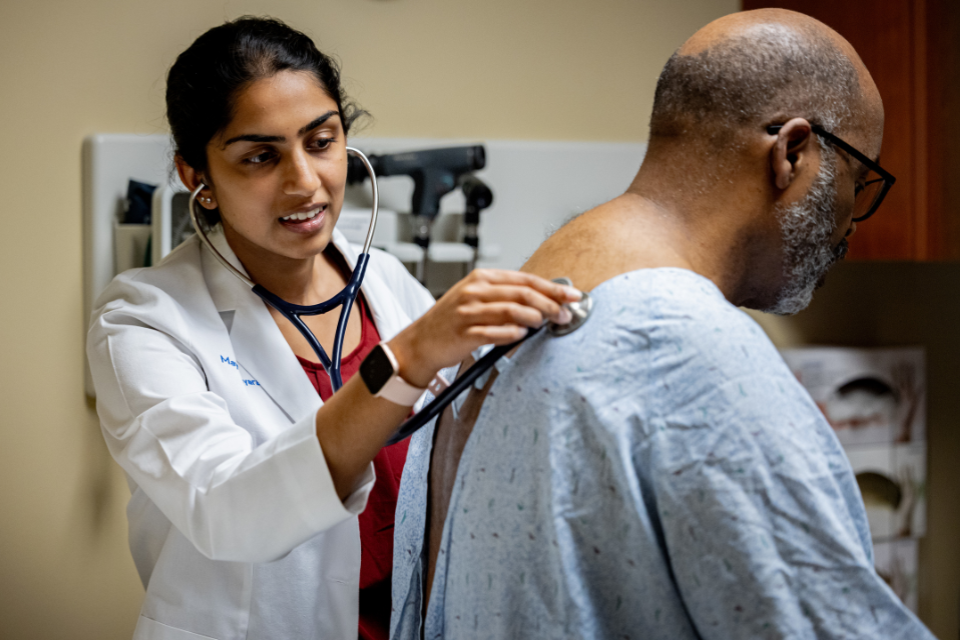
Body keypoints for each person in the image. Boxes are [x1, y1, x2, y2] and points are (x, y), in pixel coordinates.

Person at [391, 9, 936, 639]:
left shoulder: (494, 321)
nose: (851, 223)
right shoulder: (692, 358)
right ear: (792, 153)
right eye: (858, 181)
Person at [86, 17, 579, 640]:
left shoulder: (387, 284)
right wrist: (412, 354)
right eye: (261, 156)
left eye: (320, 141)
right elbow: (227, 510)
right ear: (197, 178)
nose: (305, 181)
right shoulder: (142, 321)